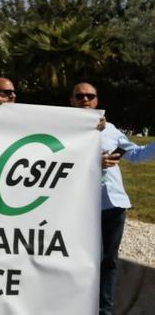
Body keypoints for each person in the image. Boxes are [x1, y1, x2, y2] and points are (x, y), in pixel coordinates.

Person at [69, 82, 155, 315]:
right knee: (79, 259)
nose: (85, 100)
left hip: (113, 205)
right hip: (79, 206)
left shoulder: (111, 129)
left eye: (90, 96)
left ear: (97, 101)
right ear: (72, 101)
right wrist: (93, 163)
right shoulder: (62, 129)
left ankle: (103, 311)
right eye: (80, 96)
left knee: (109, 261)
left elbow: (136, 155)